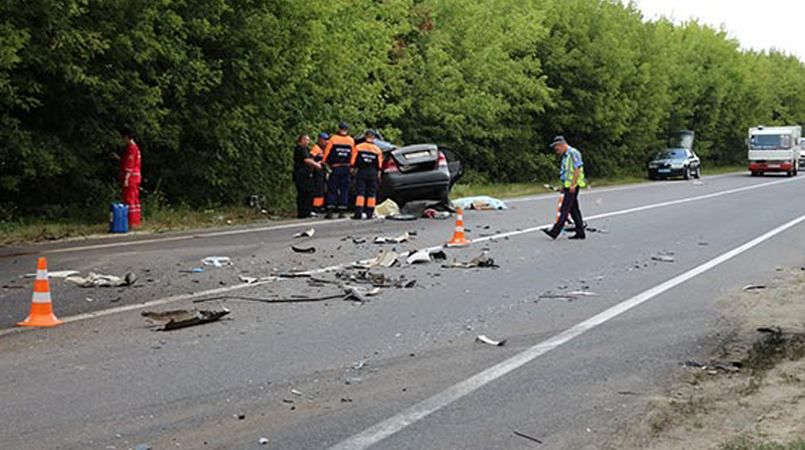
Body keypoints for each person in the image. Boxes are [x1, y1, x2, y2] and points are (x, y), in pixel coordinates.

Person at [542, 135, 587, 240]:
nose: (556, 150)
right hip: (569, 186)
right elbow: (567, 173)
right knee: (574, 210)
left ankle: (555, 232)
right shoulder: (566, 156)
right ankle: (580, 232)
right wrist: (564, 187)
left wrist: (573, 185)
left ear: (561, 145)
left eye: (556, 147)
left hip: (573, 186)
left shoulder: (573, 153)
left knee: (565, 209)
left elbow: (577, 169)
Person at [323, 121, 356, 219]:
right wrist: (352, 166)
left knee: (332, 189)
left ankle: (330, 211)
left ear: (339, 128)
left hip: (335, 167)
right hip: (346, 167)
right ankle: (342, 211)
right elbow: (353, 155)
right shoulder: (351, 140)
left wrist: (325, 162)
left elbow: (327, 152)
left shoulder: (333, 139)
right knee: (344, 189)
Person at [351, 129, 384, 219]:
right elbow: (380, 165)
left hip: (362, 171)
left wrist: (353, 169)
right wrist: (379, 175)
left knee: (360, 192)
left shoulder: (358, 147)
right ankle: (369, 213)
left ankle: (358, 213)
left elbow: (353, 161)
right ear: (373, 137)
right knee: (372, 193)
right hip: (373, 172)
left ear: (365, 136)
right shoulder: (377, 150)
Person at [293, 134, 322, 218]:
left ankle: (306, 211)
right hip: (301, 174)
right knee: (304, 193)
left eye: (308, 140)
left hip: (306, 174)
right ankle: (303, 212)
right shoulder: (300, 148)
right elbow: (306, 160)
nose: (307, 142)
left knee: (308, 192)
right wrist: (316, 165)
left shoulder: (305, 149)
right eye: (306, 140)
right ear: (301, 140)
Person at [120, 129, 142, 228]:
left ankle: (131, 222)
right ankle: (136, 221)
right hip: (136, 176)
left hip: (131, 177)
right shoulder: (136, 148)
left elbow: (130, 164)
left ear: (127, 137)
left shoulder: (131, 148)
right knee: (135, 199)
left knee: (129, 199)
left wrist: (126, 178)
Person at [309, 132, 329, 214]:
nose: (326, 142)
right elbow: (311, 159)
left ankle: (320, 206)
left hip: (322, 172)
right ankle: (315, 207)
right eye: (324, 140)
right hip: (316, 172)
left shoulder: (324, 149)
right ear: (320, 140)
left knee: (322, 189)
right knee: (318, 190)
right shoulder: (316, 148)